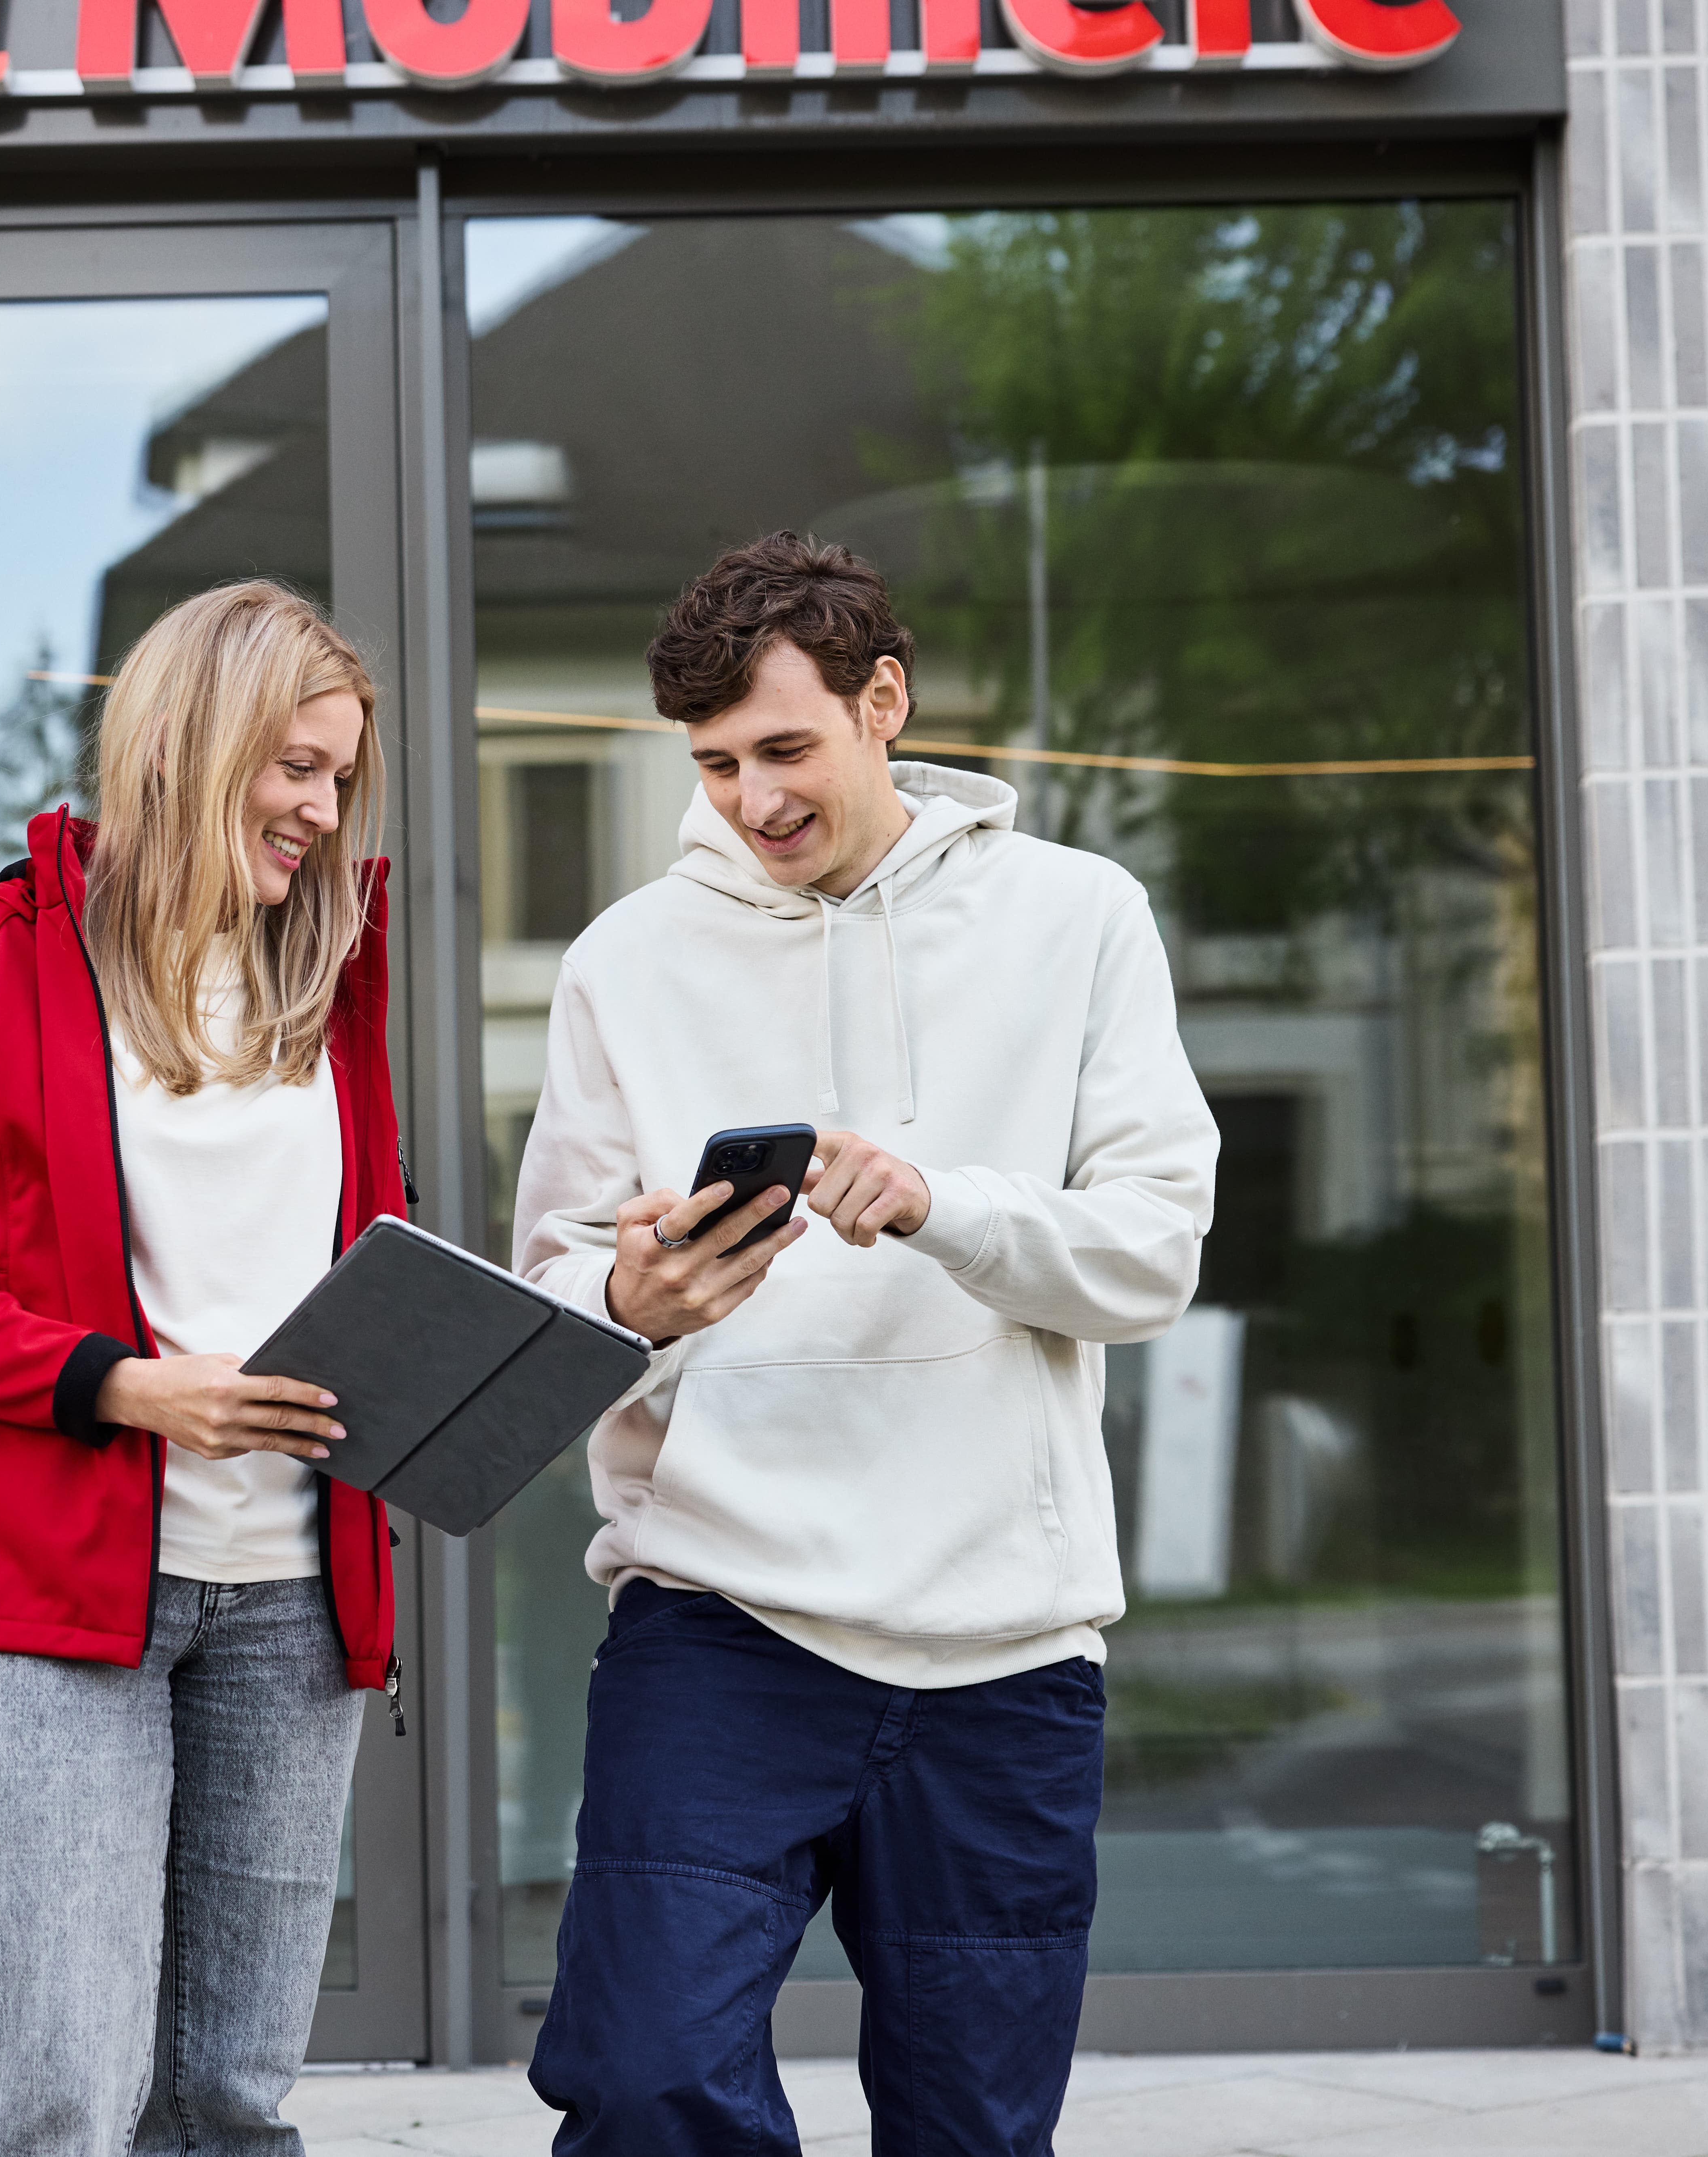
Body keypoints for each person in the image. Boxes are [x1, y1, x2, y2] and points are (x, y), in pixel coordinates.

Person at [513, 532, 1221, 2155]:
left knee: (972, 2131)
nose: (749, 803)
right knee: (639, 2085)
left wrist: (939, 1208)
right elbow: (542, 1289)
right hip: (716, 1622)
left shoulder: (1078, 918)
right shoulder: (625, 962)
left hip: (1003, 1648)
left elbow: (1147, 1254)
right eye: (710, 766)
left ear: (881, 701)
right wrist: (630, 1303)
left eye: (783, 750)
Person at [0, 582, 405, 2157]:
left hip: (291, 1600)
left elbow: (372, 1249)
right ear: (188, 739)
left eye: (338, 779)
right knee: (61, 2099)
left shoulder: (331, 989)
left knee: (232, 2096)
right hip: (42, 1595)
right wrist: (124, 1386)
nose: (317, 808)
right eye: (293, 765)